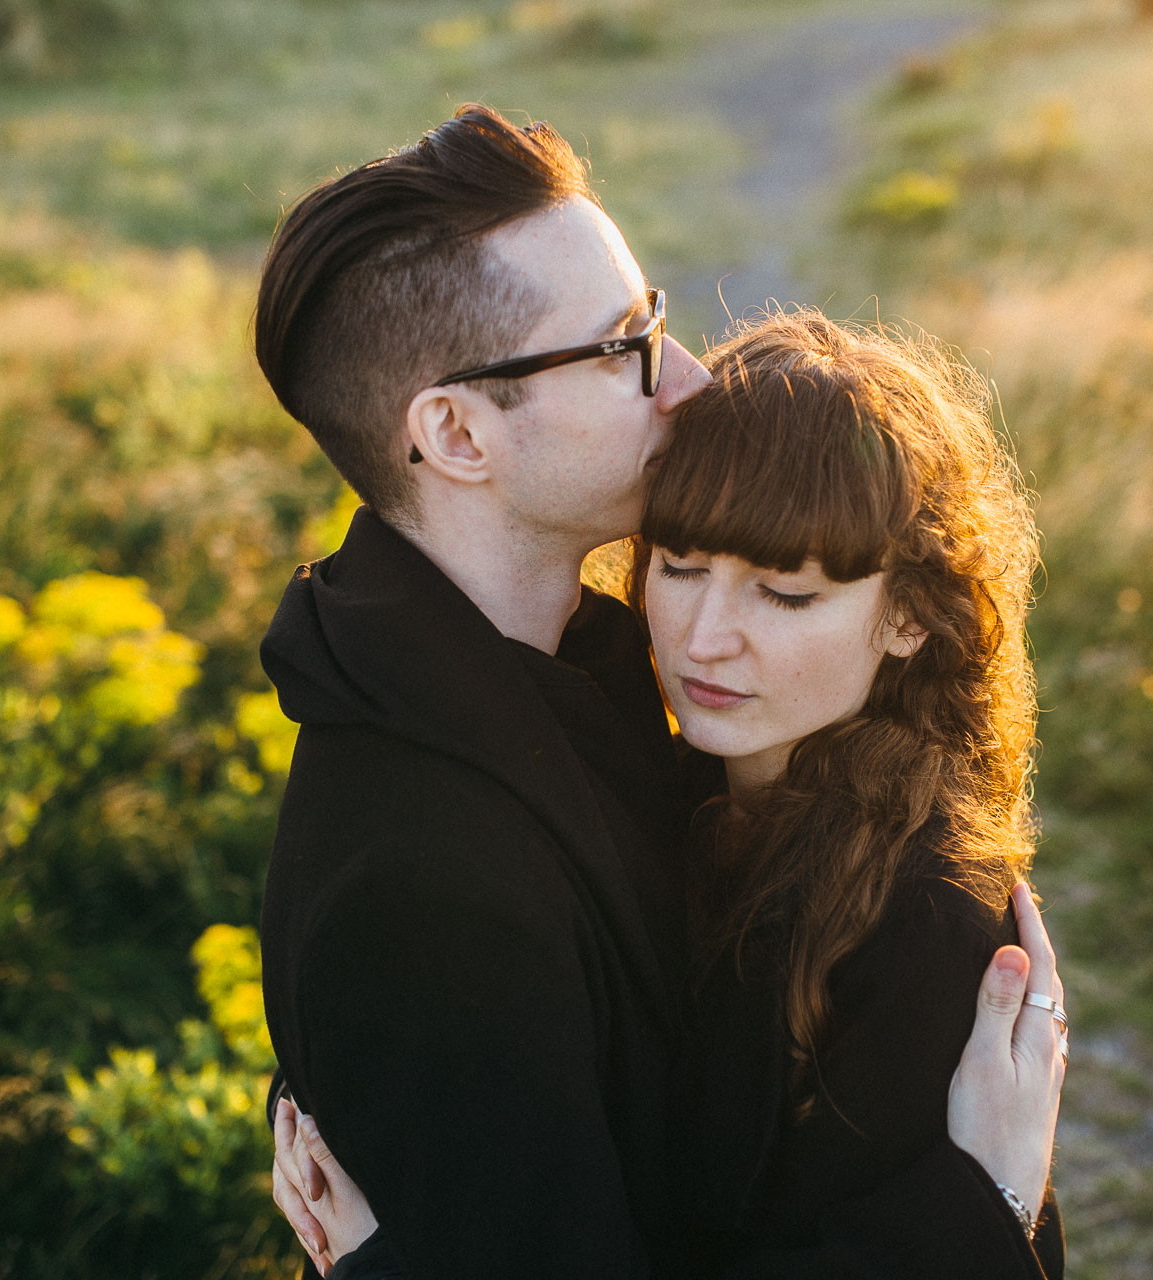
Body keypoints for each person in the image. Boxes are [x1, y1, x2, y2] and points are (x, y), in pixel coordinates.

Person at [252, 105, 1066, 1280]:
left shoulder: (569, 676)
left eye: (661, 321)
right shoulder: (424, 878)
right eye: (623, 342)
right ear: (457, 432)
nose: (685, 379)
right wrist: (973, 1206)